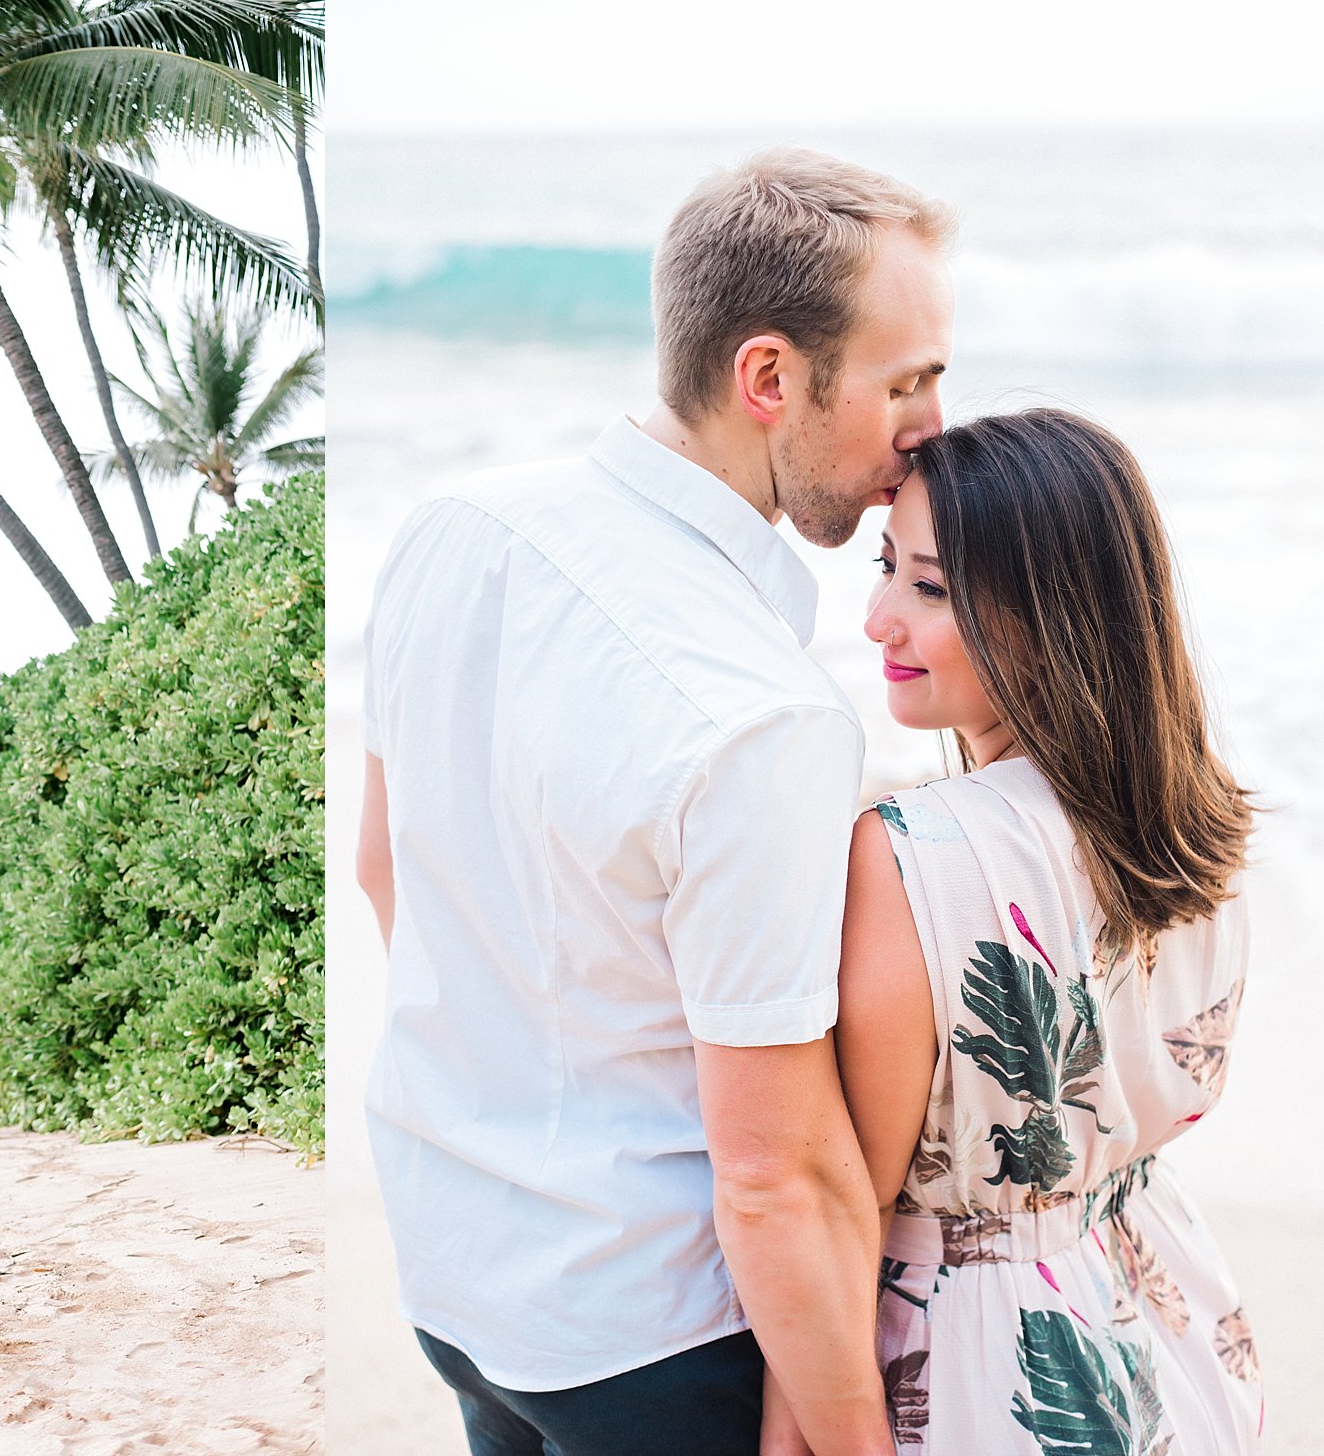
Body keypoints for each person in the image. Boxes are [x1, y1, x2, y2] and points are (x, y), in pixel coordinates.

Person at [356, 150, 955, 1455]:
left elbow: (386, 867)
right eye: (903, 382)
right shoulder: (764, 714)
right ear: (768, 379)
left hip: (454, 1260)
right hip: (651, 1335)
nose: (930, 428)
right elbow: (774, 1170)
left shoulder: (454, 527)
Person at [802, 409, 1261, 1451]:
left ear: (1045, 618)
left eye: (927, 588)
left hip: (983, 1364)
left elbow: (842, 1201)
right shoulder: (1195, 821)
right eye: (885, 569)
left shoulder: (911, 856)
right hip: (1160, 1312)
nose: (876, 619)